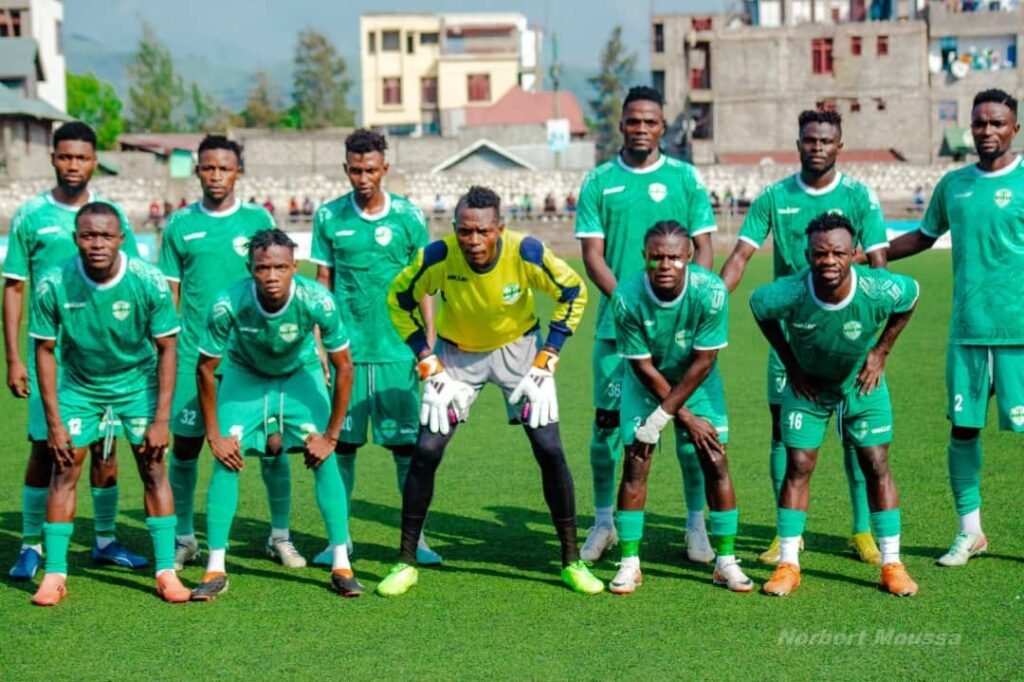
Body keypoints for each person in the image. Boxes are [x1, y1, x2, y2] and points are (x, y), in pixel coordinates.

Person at [378, 185, 602, 597]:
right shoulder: (438, 256)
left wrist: (548, 355)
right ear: (455, 229)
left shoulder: (527, 251)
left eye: (483, 232)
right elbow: (397, 299)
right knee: (426, 450)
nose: (474, 241)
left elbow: (574, 292)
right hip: (457, 358)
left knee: (549, 449)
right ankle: (404, 562)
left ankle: (572, 561)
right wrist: (427, 360)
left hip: (520, 353)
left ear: (500, 227)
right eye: (465, 231)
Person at [719, 109, 890, 565]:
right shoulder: (774, 196)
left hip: (848, 338)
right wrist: (713, 298)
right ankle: (786, 536)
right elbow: (740, 256)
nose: (817, 146)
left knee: (858, 435)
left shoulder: (858, 196)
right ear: (798, 144)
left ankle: (861, 531)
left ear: (840, 144)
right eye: (809, 139)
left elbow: (879, 265)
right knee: (783, 434)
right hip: (792, 342)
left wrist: (874, 343)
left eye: (826, 140)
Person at [575, 85, 717, 564]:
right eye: (632, 121)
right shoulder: (598, 182)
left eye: (649, 122)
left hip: (680, 332)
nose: (640, 129)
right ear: (621, 124)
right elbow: (592, 256)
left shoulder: (685, 178)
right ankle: (602, 523)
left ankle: (695, 527)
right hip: (617, 330)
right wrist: (629, 307)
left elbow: (705, 247)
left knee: (686, 430)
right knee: (606, 428)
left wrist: (694, 307)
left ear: (662, 126)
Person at [886, 88, 1023, 567]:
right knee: (963, 432)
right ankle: (971, 531)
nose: (987, 131)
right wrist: (873, 256)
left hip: (1018, 336)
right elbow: (925, 236)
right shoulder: (954, 184)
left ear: (1015, 129)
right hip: (966, 332)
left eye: (997, 123)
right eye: (980, 123)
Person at [4, 121, 146, 581]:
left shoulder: (111, 217)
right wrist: (14, 357)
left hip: (104, 356)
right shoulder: (31, 215)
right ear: (52, 157)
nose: (73, 165)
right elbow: (14, 287)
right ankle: (30, 544)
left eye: (81, 157)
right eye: (65, 156)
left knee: (105, 449)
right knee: (46, 448)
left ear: (94, 160)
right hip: (53, 354)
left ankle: (104, 539)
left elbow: (135, 282)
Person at [750, 213, 920, 597]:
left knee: (876, 462)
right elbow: (758, 307)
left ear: (854, 252)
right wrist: (791, 364)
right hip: (808, 389)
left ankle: (892, 564)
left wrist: (881, 351)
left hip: (862, 384)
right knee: (798, 465)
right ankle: (788, 565)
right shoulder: (788, 293)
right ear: (807, 254)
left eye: (838, 253)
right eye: (820, 253)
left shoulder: (879, 288)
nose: (829, 261)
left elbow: (912, 296)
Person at [29, 202, 190, 606]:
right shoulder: (53, 283)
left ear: (121, 238)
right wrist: (54, 422)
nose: (96, 244)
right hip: (80, 387)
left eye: (105, 236)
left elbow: (167, 348)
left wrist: (161, 418)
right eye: (88, 235)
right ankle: (55, 574)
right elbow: (45, 351)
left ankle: (166, 571)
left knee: (153, 467)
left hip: (138, 385)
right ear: (75, 239)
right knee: (64, 469)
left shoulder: (147, 280)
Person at [190, 229, 361, 600]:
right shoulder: (228, 303)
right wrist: (214, 434)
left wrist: (330, 436)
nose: (271, 276)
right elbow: (204, 369)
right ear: (250, 268)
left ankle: (340, 562)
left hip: (300, 373)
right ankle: (215, 567)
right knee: (227, 458)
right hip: (245, 375)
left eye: (280, 267)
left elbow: (344, 367)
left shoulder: (317, 299)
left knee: (324, 457)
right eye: (262, 268)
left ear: (294, 267)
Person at [158, 135, 295, 571]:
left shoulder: (258, 219)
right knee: (186, 447)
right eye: (208, 168)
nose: (216, 176)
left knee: (272, 445)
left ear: (239, 171)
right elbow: (169, 295)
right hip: (193, 356)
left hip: (248, 359)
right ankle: (184, 537)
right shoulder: (179, 225)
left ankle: (279, 535)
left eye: (225, 168)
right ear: (197, 170)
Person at [309, 128, 441, 566]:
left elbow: (423, 283)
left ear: (385, 168)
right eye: (354, 170)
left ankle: (415, 540)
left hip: (398, 350)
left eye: (370, 169)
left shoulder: (407, 216)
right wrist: (319, 344)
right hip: (346, 352)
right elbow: (323, 283)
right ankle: (338, 542)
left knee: (407, 450)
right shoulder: (328, 217)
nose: (362, 177)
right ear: (344, 168)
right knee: (341, 448)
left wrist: (429, 342)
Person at [608, 221, 753, 595]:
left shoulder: (711, 292)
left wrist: (673, 415)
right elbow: (641, 366)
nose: (666, 264)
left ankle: (726, 561)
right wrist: (676, 417)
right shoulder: (626, 296)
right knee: (636, 461)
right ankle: (629, 564)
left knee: (715, 458)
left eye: (674, 256)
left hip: (697, 381)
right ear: (645, 257)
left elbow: (704, 362)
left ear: (689, 257)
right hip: (646, 384)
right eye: (657, 257)